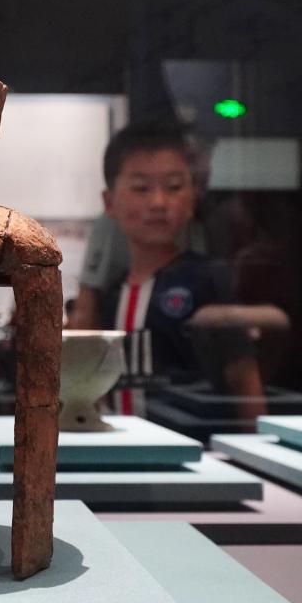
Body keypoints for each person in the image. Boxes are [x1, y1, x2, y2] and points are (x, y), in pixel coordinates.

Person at [68, 120, 262, 416]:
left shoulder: (209, 279)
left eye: (174, 187)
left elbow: (243, 378)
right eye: (141, 188)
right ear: (109, 202)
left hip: (198, 441)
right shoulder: (112, 294)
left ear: (193, 198)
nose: (158, 202)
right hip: (120, 439)